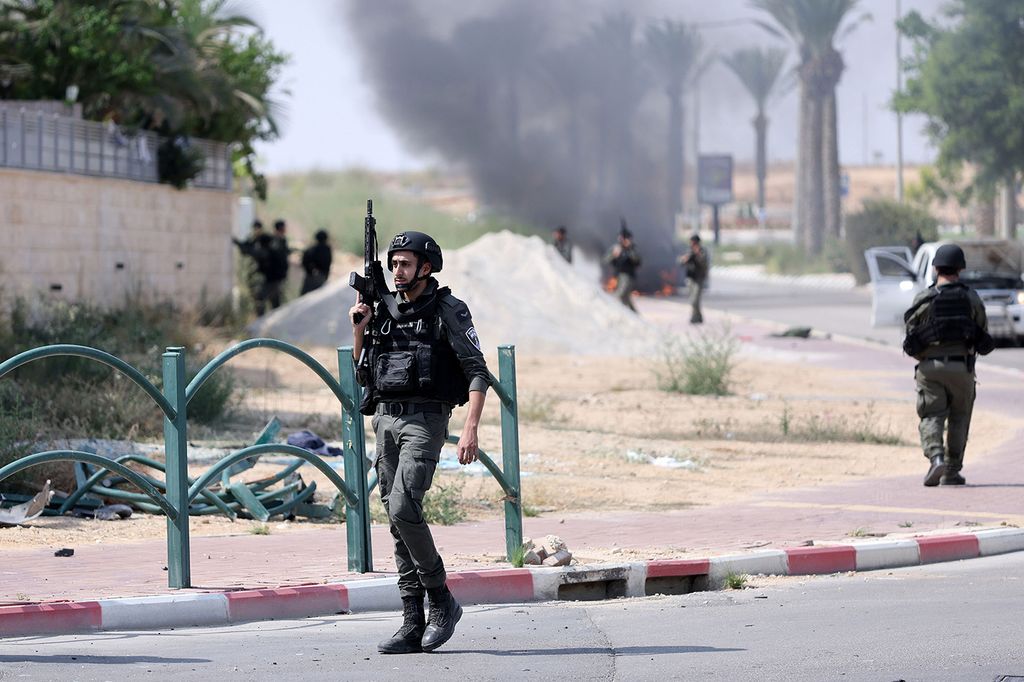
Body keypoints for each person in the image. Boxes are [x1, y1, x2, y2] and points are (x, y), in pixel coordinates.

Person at [348, 230, 489, 654]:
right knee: (395, 518)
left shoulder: (448, 309)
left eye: (405, 264)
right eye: (393, 264)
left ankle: (441, 598)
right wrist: (359, 330)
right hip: (386, 421)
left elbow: (478, 371)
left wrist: (471, 428)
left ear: (426, 267)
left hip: (425, 420)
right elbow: (362, 373)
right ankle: (412, 619)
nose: (397, 271)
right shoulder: (382, 312)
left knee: (405, 506)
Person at [902, 243, 994, 487]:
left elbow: (910, 337)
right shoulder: (971, 298)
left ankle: (936, 458)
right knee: (959, 418)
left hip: (929, 367)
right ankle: (952, 471)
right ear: (960, 269)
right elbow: (983, 333)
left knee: (932, 414)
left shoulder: (923, 299)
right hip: (961, 368)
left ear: (935, 268)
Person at [604, 222, 641, 313]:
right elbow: (605, 260)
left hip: (628, 276)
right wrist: (614, 255)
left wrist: (629, 251)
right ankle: (634, 317)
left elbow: (637, 261)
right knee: (625, 299)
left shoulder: (632, 249)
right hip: (619, 276)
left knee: (619, 296)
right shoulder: (616, 248)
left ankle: (615, 313)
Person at [256, 218, 290, 315]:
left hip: (276, 277)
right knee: (265, 299)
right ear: (281, 228)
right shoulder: (275, 241)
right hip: (272, 276)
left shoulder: (281, 240)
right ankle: (262, 322)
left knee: (274, 302)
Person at [232, 220, 266, 306]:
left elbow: (260, 253)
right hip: (255, 273)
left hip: (264, 273)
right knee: (254, 294)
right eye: (255, 228)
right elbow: (245, 248)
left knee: (262, 295)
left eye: (257, 228)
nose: (256, 230)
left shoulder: (265, 239)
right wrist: (237, 243)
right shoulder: (253, 239)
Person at [679, 234, 709, 324]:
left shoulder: (702, 251)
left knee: (695, 300)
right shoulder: (689, 251)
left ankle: (694, 317)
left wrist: (698, 255)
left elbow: (704, 264)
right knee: (692, 299)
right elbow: (681, 262)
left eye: (694, 243)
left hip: (698, 278)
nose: (692, 244)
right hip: (690, 278)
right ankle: (698, 317)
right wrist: (685, 258)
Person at [300, 229, 333, 295]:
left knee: (304, 296)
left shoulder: (312, 249)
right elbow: (328, 263)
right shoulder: (326, 249)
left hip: (312, 276)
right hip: (320, 276)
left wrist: (310, 271)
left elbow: (304, 261)